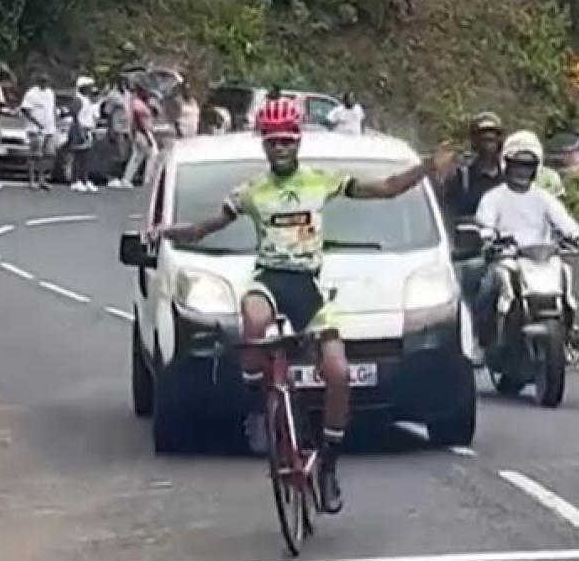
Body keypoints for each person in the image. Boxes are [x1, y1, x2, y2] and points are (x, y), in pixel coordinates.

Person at [151, 98, 436, 514]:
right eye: (272, 142)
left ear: (297, 142)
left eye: (286, 141)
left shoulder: (321, 180)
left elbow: (386, 189)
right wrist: (163, 231)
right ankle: (260, 400)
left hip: (310, 290)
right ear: (264, 146)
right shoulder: (251, 192)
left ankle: (329, 466)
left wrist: (426, 167)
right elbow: (203, 228)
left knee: (338, 374)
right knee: (251, 316)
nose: (280, 148)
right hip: (269, 280)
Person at [473, 131, 579, 350]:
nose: (522, 170)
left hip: (541, 259)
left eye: (527, 165)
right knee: (488, 286)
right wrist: (489, 238)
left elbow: (565, 221)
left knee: (565, 274)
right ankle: (484, 340)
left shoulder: (544, 198)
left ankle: (568, 332)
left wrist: (577, 236)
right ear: (507, 165)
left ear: (536, 168)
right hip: (507, 258)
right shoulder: (494, 197)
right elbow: (484, 224)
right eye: (517, 164)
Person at [442, 112, 506, 223]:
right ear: (475, 141)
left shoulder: (508, 178)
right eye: (484, 139)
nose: (488, 145)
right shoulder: (461, 178)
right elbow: (450, 216)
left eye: (492, 139)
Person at [19, 73, 57, 190]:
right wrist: (37, 123)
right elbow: (25, 109)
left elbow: (51, 109)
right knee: (35, 155)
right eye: (42, 81)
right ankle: (31, 180)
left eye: (46, 81)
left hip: (49, 128)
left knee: (48, 155)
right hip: (35, 129)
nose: (45, 83)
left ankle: (42, 179)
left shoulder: (50, 93)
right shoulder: (31, 93)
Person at [117, 83, 156, 188]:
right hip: (142, 132)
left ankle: (127, 179)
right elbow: (138, 120)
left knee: (137, 157)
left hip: (140, 132)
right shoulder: (137, 103)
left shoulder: (137, 102)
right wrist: (147, 136)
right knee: (151, 155)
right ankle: (148, 180)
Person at [69, 76, 100, 193]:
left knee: (86, 157)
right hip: (80, 129)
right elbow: (75, 116)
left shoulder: (87, 99)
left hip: (88, 130)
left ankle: (84, 179)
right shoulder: (78, 99)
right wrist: (79, 132)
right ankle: (75, 181)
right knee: (78, 157)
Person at [106, 75, 133, 186]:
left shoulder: (128, 94)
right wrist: (110, 128)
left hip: (128, 127)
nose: (125, 84)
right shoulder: (113, 95)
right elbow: (108, 112)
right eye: (122, 82)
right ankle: (112, 177)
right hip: (117, 127)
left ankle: (122, 177)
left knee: (126, 154)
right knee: (118, 153)